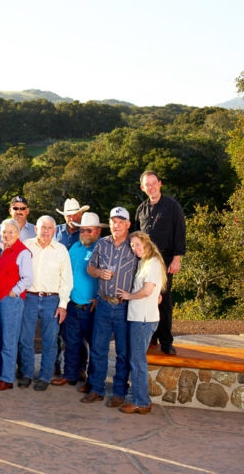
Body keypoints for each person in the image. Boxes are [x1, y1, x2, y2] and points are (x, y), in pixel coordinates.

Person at [82, 206, 138, 408]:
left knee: (123, 352)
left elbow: (148, 267)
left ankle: (119, 392)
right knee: (98, 348)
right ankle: (97, 389)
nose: (117, 225)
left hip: (123, 306)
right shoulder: (102, 244)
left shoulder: (135, 245)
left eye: (121, 222)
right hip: (104, 303)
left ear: (128, 224)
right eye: (114, 221)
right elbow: (90, 267)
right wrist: (98, 273)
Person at [51, 212, 105, 389]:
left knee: (95, 346)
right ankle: (70, 375)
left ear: (97, 231)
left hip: (92, 306)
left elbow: (107, 276)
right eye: (82, 230)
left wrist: (99, 297)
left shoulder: (102, 248)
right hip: (73, 305)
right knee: (72, 342)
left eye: (89, 230)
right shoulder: (75, 247)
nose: (85, 234)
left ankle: (92, 381)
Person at [18, 216, 73, 391]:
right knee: (25, 338)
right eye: (43, 227)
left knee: (50, 341)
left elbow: (67, 280)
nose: (46, 231)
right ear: (36, 229)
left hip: (52, 299)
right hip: (29, 298)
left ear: (55, 230)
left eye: (50, 228)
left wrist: (63, 304)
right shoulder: (26, 245)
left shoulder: (61, 250)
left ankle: (45, 376)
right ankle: (26, 373)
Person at [115, 231, 167, 414]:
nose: (135, 248)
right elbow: (153, 290)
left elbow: (146, 290)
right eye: (132, 246)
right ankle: (139, 397)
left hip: (143, 319)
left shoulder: (152, 263)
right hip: (138, 317)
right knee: (136, 359)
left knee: (137, 361)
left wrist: (129, 296)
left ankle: (141, 402)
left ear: (146, 243)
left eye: (137, 244)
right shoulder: (145, 262)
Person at [135, 170, 186, 355]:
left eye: (153, 183)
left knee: (163, 300)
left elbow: (180, 233)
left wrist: (177, 258)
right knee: (147, 299)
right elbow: (136, 237)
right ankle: (151, 338)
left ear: (160, 183)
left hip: (165, 261)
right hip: (145, 262)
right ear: (142, 187)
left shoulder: (173, 206)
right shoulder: (141, 209)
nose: (151, 187)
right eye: (147, 184)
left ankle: (166, 341)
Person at [0, 219, 33, 391]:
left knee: (8, 341)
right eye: (4, 232)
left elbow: (28, 278)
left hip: (10, 299)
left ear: (18, 233)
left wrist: (15, 291)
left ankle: (7, 378)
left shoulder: (23, 252)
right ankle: (1, 373)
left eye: (11, 232)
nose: (7, 235)